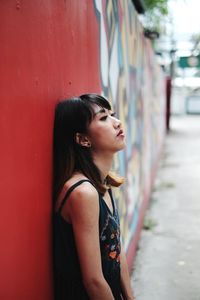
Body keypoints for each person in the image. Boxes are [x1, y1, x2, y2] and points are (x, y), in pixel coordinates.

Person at [53, 93, 135, 300]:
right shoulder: (83, 192)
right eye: (103, 118)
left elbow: (116, 252)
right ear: (83, 139)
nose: (117, 123)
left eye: (112, 115)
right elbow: (94, 281)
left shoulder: (102, 182)